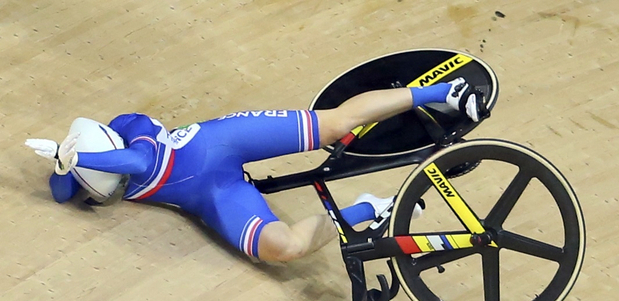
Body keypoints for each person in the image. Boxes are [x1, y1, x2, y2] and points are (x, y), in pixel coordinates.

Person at [25, 79, 485, 264]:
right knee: (282, 250)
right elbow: (65, 193)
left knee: (334, 124)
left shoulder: (133, 130)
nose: (113, 193)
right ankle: (370, 208)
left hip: (222, 141)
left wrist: (81, 160)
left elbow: (135, 164)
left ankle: (443, 90)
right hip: (214, 193)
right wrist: (64, 162)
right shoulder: (101, 161)